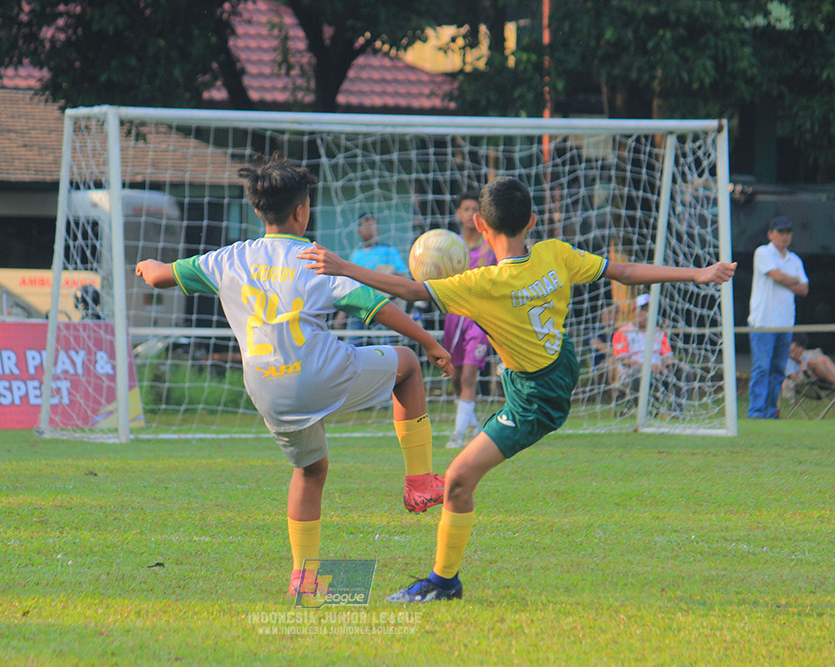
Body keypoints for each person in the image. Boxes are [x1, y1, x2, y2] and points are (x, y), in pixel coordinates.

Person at [299, 176, 736, 603]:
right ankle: (444, 582)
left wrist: (342, 267)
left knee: (457, 480)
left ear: (481, 227)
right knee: (460, 477)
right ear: (532, 220)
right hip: (560, 363)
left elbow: (411, 290)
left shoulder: (481, 283)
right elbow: (622, 271)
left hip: (535, 398)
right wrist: (696, 273)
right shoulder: (555, 254)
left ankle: (443, 583)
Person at [135, 153, 454, 596]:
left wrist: (146, 265)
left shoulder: (227, 259)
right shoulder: (314, 259)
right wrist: (431, 343)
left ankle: (304, 577)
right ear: (302, 210)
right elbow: (377, 307)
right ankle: (419, 480)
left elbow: (159, 277)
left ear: (255, 209)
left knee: (310, 470)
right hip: (323, 373)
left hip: (267, 390)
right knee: (406, 366)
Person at [442, 192, 496, 449]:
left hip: (479, 318)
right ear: (458, 214)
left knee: (469, 377)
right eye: (465, 209)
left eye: (475, 209)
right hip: (454, 316)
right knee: (455, 375)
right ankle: (473, 425)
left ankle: (457, 434)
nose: (470, 214)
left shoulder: (491, 247)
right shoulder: (452, 247)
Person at [747, 216, 808, 419]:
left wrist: (786, 279)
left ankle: (771, 412)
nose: (784, 236)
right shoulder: (763, 252)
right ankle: (756, 412)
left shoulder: (794, 259)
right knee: (762, 368)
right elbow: (778, 277)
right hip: (763, 322)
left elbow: (804, 288)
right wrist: (792, 279)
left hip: (785, 323)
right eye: (780, 232)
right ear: (770, 234)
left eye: (787, 232)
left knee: (778, 369)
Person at [611, 294, 697, 415]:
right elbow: (624, 360)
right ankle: (642, 412)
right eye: (642, 310)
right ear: (634, 312)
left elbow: (667, 355)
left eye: (649, 310)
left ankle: (676, 411)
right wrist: (648, 367)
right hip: (633, 375)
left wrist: (669, 363)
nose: (646, 314)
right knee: (638, 371)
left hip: (659, 372)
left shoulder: (658, 332)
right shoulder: (622, 332)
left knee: (686, 370)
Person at [336, 213, 410, 344]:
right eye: (366, 228)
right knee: (353, 345)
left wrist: (383, 276)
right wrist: (342, 314)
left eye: (372, 227)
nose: (369, 231)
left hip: (382, 304)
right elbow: (349, 285)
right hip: (358, 306)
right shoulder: (355, 255)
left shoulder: (389, 250)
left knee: (387, 345)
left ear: (378, 230)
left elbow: (403, 276)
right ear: (359, 231)